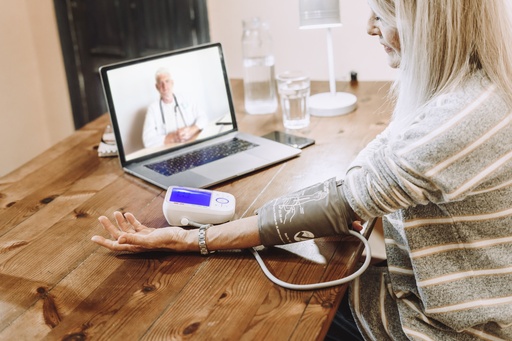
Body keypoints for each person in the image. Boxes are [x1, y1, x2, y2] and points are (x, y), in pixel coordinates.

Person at [92, 0, 512, 339]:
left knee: (254, 313)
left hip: (447, 328)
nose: (369, 27)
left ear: (426, 26)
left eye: (381, 16)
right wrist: (350, 194)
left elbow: (340, 203)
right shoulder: (473, 90)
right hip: (463, 301)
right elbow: (358, 183)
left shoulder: (455, 120)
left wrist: (190, 239)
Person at [142, 67, 207, 148]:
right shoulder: (153, 109)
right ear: (157, 87)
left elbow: (203, 117)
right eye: (160, 83)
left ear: (172, 83)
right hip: (170, 151)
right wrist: (172, 138)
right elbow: (148, 141)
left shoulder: (186, 98)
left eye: (167, 81)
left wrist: (192, 130)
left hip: (194, 144)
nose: (164, 86)